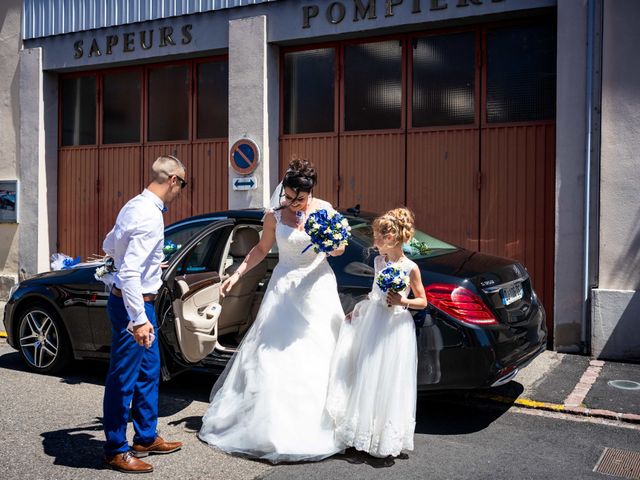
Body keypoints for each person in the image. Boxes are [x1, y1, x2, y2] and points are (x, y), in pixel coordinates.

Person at [198, 158, 346, 463]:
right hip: (283, 287)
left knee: (319, 356)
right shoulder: (275, 215)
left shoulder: (325, 211)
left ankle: (320, 425)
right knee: (271, 357)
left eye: (298, 199)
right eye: (288, 197)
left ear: (310, 193)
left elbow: (340, 249)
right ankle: (267, 427)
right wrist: (236, 274)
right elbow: (261, 250)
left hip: (317, 288)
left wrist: (332, 245)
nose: (292, 203)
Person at [102, 155, 187, 474]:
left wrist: (151, 264)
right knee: (123, 377)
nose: (181, 191)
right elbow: (128, 274)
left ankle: (146, 437)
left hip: (132, 301)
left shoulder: (133, 206)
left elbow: (109, 244)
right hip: (133, 306)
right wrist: (138, 319)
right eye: (183, 184)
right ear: (174, 180)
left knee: (148, 370)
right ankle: (115, 449)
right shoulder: (150, 217)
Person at [326, 208, 427, 466]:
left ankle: (385, 438)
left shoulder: (410, 267)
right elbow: (374, 293)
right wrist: (358, 311)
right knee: (367, 374)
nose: (374, 243)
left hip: (395, 328)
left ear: (392, 236)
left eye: (377, 238)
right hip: (373, 322)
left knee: (389, 380)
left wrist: (403, 300)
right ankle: (363, 433)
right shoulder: (378, 262)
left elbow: (423, 301)